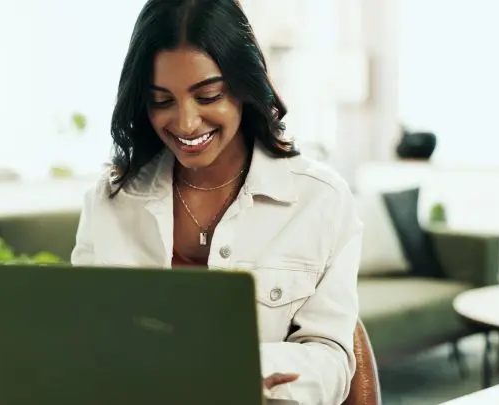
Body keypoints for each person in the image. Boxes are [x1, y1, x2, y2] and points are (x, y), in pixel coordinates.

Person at [71, 0, 363, 404]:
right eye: (161, 100)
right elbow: (86, 341)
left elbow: (331, 356)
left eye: (208, 96)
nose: (186, 123)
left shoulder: (320, 200)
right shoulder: (109, 201)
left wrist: (238, 375)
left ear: (245, 86)